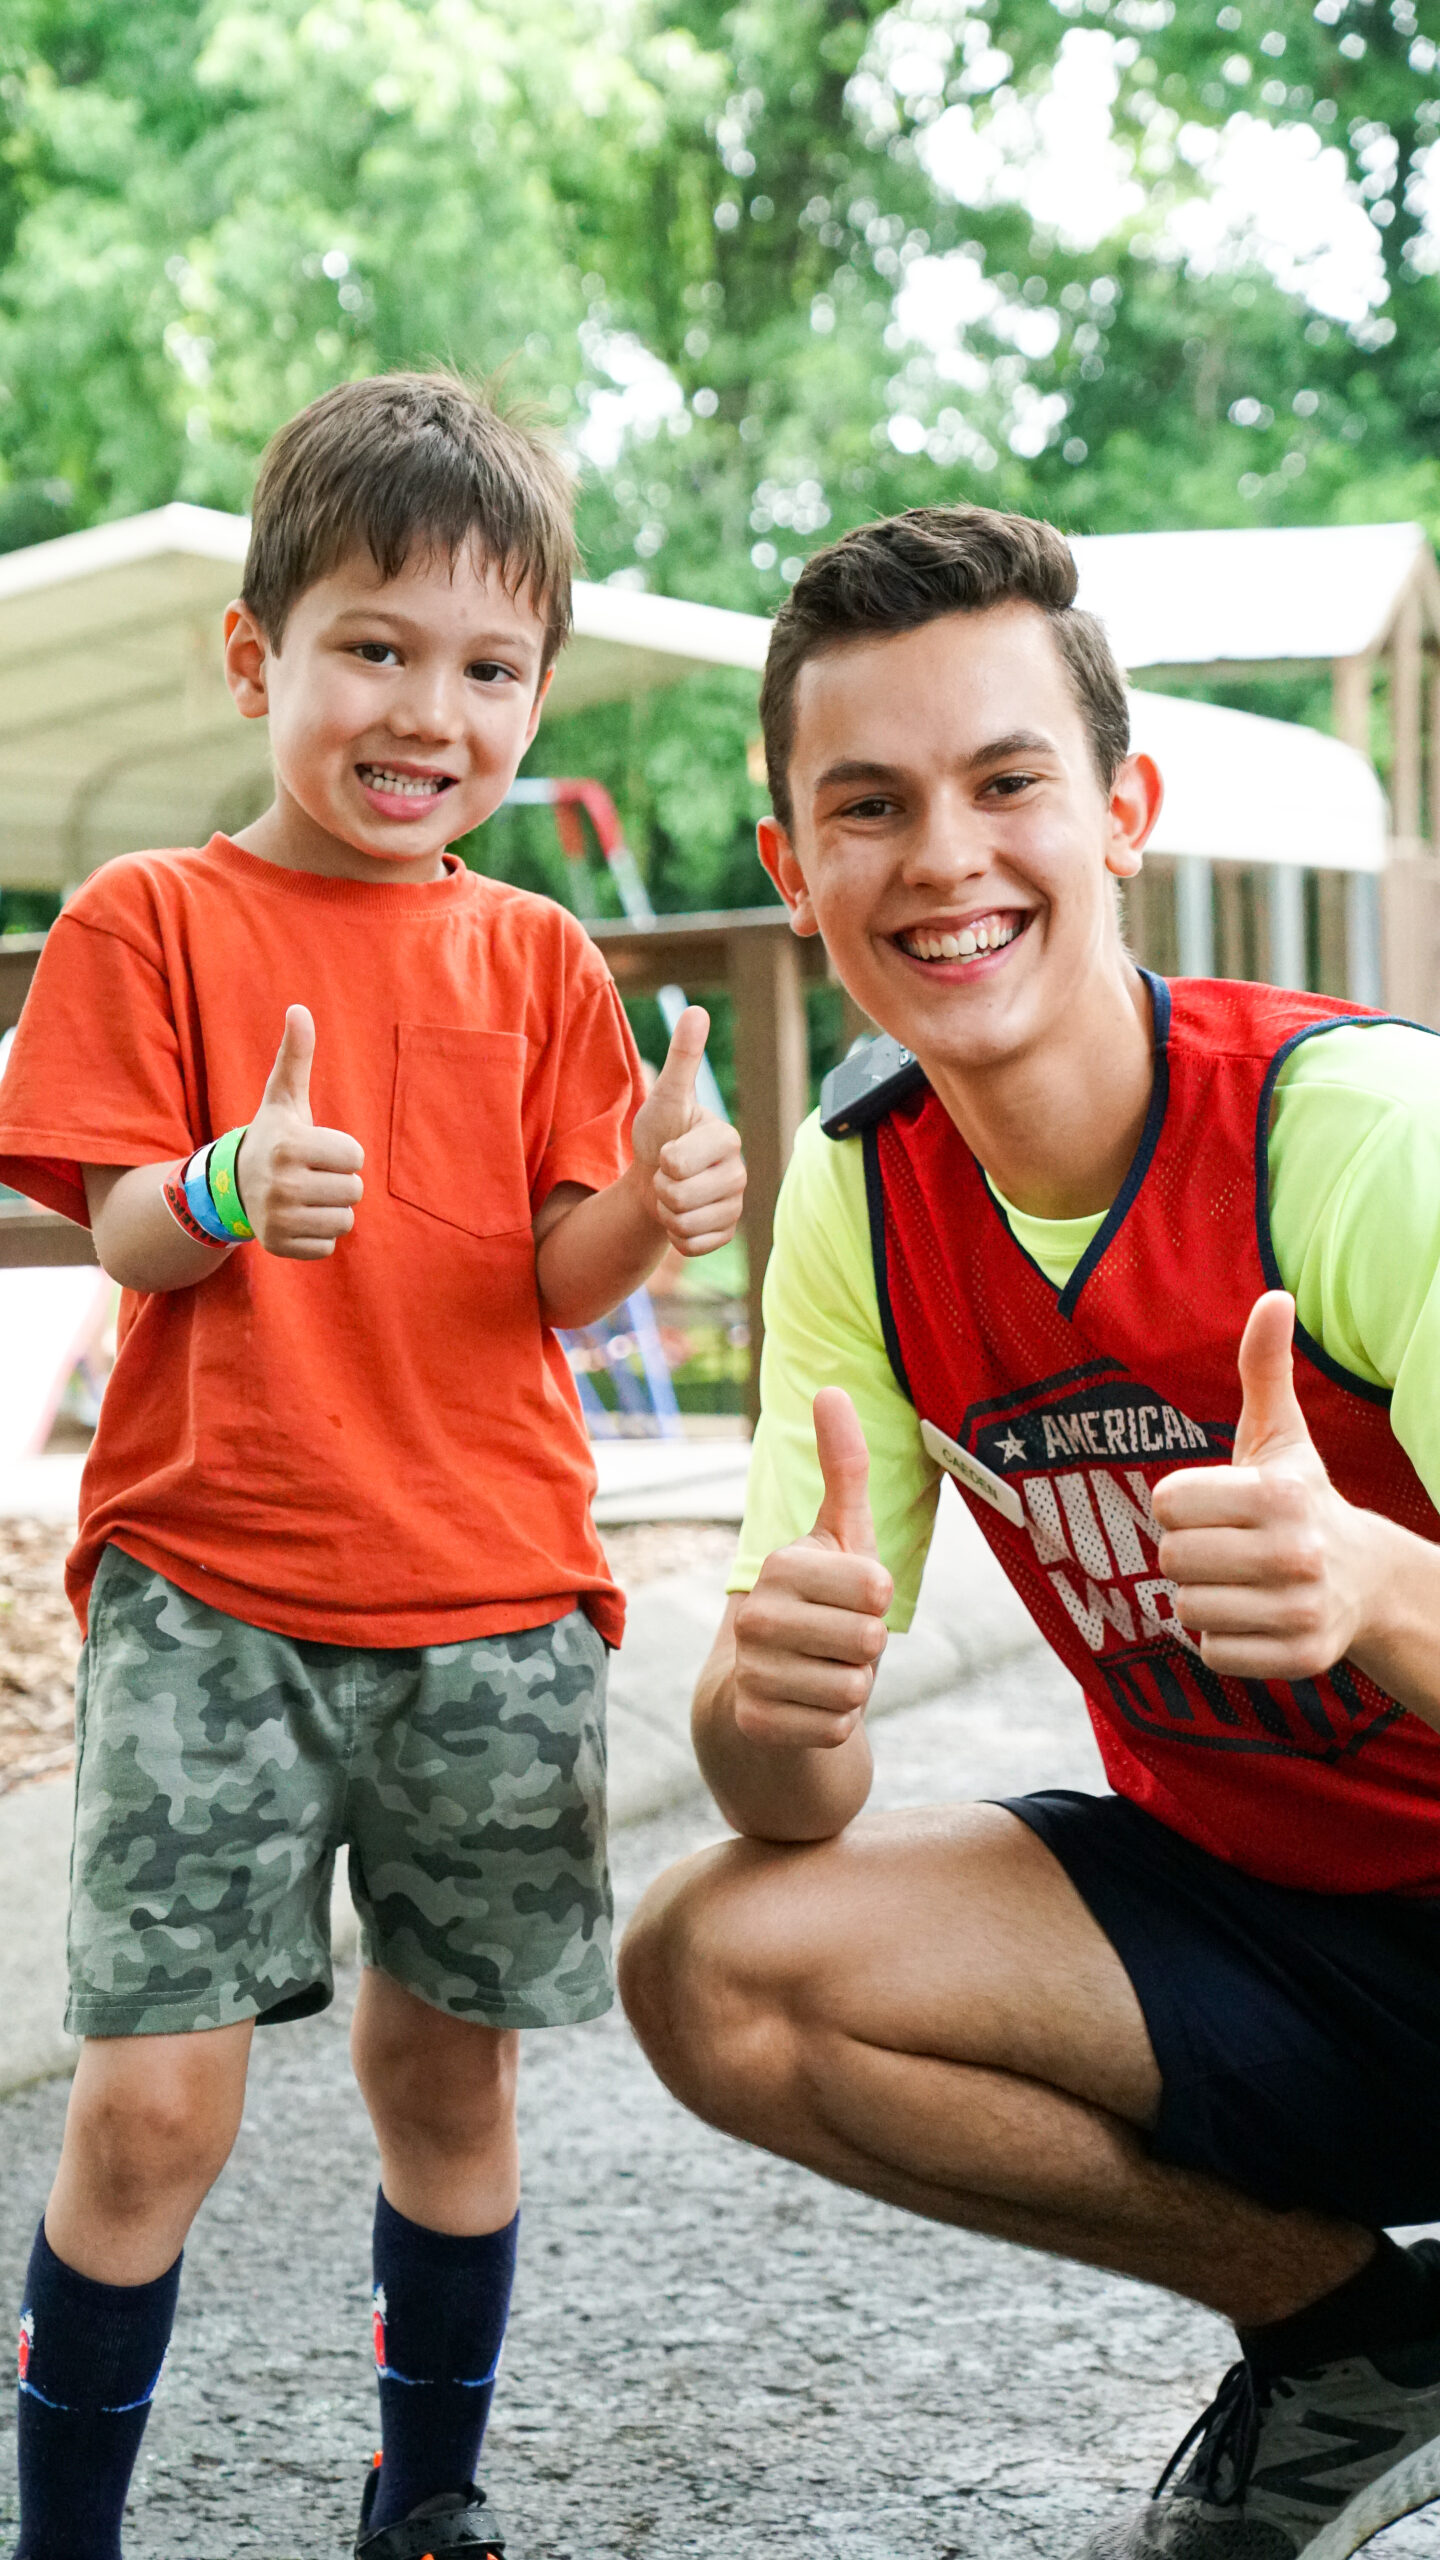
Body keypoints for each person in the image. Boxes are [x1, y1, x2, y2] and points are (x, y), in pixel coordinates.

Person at [619, 505, 1440, 2560]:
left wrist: (1374, 1579)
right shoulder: (861, 1199)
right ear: (796, 869)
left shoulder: (1348, 1140)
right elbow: (781, 1792)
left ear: (1123, 811)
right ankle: (1353, 2340)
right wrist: (766, 1692)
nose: (947, 858)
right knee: (715, 1961)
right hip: (1260, 1920)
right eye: (870, 805)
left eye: (1007, 783)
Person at [0, 370, 745, 2560]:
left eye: (489, 663)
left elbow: (559, 1272)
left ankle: (427, 2494)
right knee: (148, 2104)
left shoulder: (539, 954)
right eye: (376, 645)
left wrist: (664, 1199)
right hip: (208, 1594)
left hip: (493, 1597)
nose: (431, 708)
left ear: (537, 691)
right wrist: (229, 1177)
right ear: (263, 658)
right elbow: (110, 1216)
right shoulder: (154, 916)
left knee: (451, 2081)